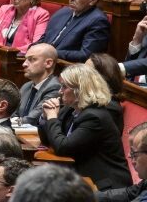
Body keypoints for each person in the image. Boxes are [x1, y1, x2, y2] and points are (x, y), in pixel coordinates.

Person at [37, 64, 131, 192]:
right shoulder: (70, 110)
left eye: (64, 86)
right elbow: (48, 140)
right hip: (79, 176)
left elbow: (62, 147)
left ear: (80, 89)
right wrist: (45, 117)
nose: (60, 91)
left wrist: (52, 118)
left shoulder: (95, 117)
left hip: (105, 185)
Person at [40, 0, 112, 62]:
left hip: (66, 68)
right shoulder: (63, 11)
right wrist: (34, 48)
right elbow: (44, 38)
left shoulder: (98, 21)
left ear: (92, 0)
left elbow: (87, 55)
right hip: (44, 60)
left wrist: (51, 53)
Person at [16, 44, 60, 124]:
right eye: (25, 59)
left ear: (48, 63)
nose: (24, 64)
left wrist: (11, 123)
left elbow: (33, 119)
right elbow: (14, 112)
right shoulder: (26, 86)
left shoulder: (55, 87)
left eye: (31, 59)